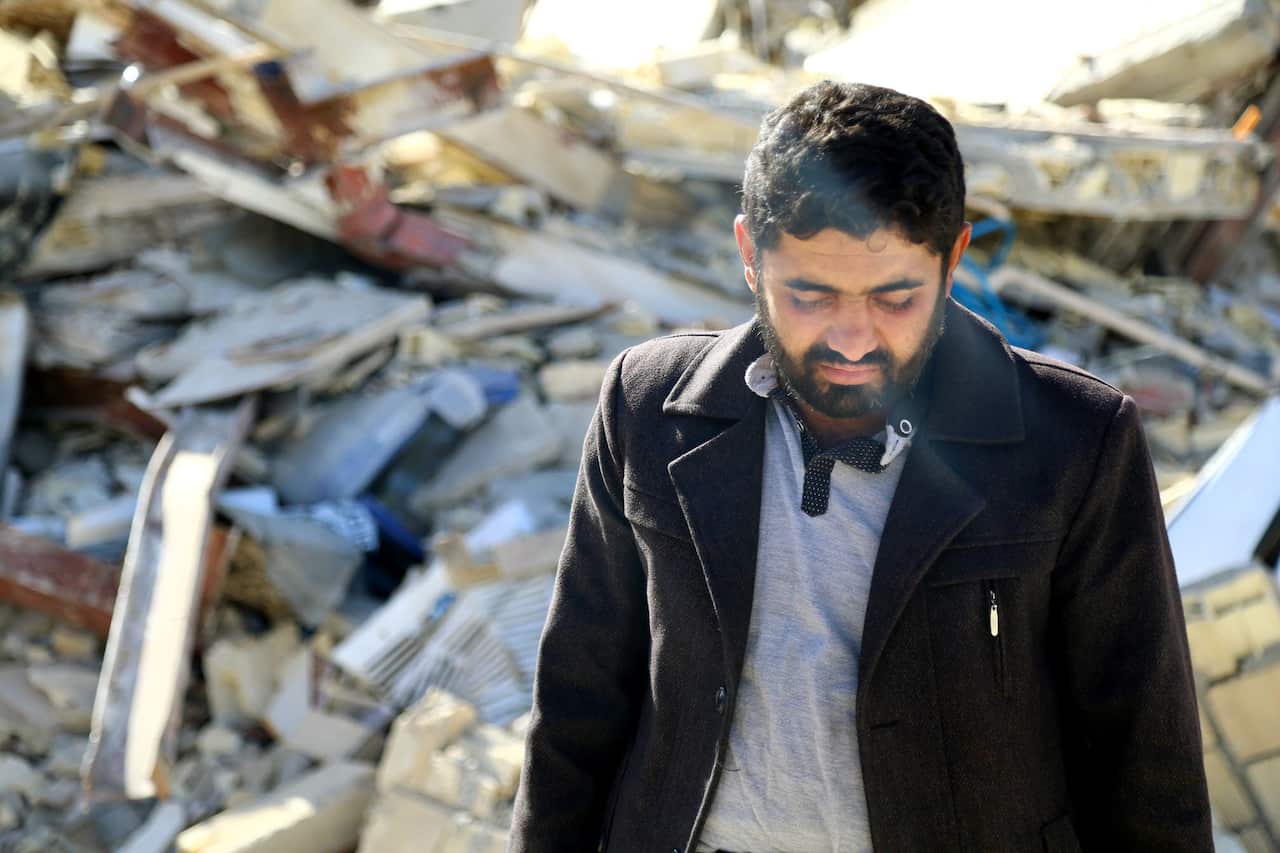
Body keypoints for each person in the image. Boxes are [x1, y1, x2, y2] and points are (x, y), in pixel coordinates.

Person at [509, 80, 1212, 853]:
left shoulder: (1076, 442)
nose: (851, 340)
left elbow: (1143, 757)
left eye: (894, 298)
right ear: (750, 255)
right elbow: (577, 708)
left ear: (953, 259)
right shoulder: (648, 409)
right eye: (809, 295)